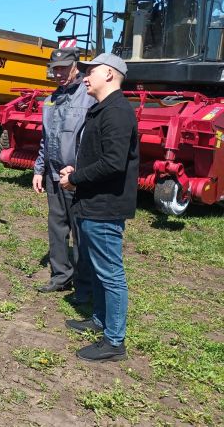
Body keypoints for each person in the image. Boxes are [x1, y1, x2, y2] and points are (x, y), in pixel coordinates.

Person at [59, 53, 139, 362]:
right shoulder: (102, 109)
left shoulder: (117, 111)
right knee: (96, 267)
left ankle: (114, 341)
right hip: (92, 203)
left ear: (109, 74)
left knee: (110, 273)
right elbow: (97, 156)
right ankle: (100, 320)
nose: (85, 76)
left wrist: (76, 178)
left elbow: (114, 163)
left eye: (91, 72)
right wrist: (74, 171)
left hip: (105, 207)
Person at [33, 49, 94, 299]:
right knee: (56, 226)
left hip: (77, 177)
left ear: (75, 67)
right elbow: (46, 138)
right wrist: (39, 168)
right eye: (54, 68)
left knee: (81, 231)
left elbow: (92, 140)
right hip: (53, 175)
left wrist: (80, 173)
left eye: (62, 68)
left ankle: (84, 284)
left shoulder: (89, 97)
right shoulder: (50, 99)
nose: (57, 73)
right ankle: (61, 275)